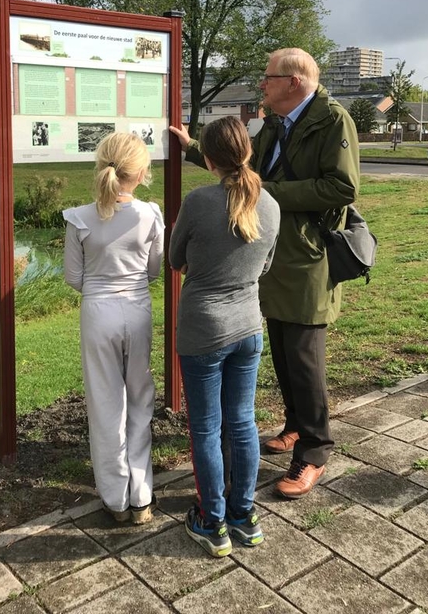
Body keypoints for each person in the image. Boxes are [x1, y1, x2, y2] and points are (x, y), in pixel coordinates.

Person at [170, 48, 360, 500]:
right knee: (281, 350)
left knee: (304, 358)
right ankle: (295, 426)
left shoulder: (333, 121)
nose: (262, 84)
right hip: (272, 255)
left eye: (268, 77)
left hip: (307, 259)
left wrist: (268, 194)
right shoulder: (276, 122)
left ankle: (314, 451)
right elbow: (243, 167)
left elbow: (342, 187)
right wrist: (195, 149)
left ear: (293, 81)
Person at [169, 116, 280, 557]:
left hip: (203, 330)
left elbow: (175, 258)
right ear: (247, 152)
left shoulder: (198, 202)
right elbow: (265, 266)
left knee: (206, 428)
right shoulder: (270, 205)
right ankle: (243, 516)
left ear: (209, 159)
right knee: (242, 423)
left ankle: (211, 520)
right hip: (249, 327)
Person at [63, 132, 164, 524]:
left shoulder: (79, 218)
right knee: (140, 398)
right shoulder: (150, 215)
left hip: (97, 312)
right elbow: (153, 271)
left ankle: (115, 498)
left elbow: (74, 278)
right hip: (137, 310)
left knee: (105, 404)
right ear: (140, 173)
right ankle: (142, 496)